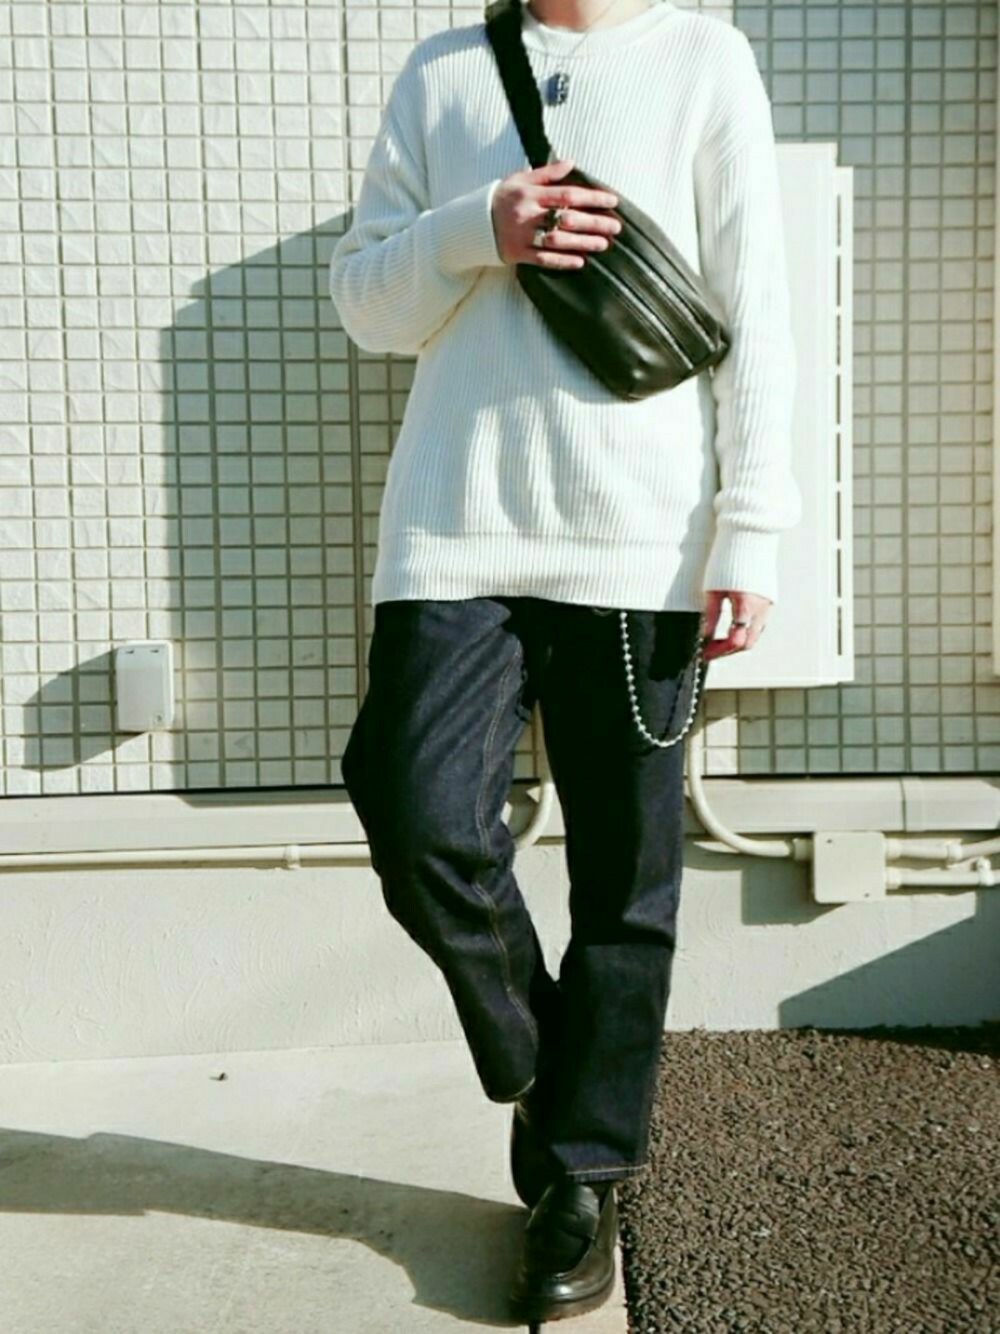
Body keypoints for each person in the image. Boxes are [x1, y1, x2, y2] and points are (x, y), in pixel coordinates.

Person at [329, 0, 800, 1320]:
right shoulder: (441, 73)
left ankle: (583, 1181)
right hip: (453, 529)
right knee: (414, 807)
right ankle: (551, 1077)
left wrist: (752, 529)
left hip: (642, 544)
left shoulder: (702, 59)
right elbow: (365, 305)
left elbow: (756, 305)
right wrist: (477, 229)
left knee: (625, 874)